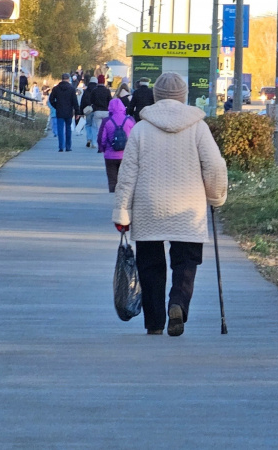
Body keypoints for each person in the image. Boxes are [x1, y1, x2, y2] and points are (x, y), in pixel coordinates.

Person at [113, 72, 228, 337]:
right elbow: (214, 166)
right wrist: (215, 196)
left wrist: (122, 211)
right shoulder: (199, 127)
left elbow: (127, 173)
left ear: (156, 97)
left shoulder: (141, 128)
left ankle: (154, 323)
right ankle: (178, 303)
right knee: (186, 262)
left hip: (148, 205)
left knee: (150, 265)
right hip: (189, 206)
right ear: (184, 96)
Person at [97, 98, 135, 192]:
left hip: (110, 156)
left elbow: (102, 139)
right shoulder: (130, 120)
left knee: (112, 179)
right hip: (126, 155)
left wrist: (103, 149)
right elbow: (135, 138)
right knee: (125, 180)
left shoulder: (106, 121)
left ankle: (112, 196)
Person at [48, 73, 80, 152]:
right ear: (68, 79)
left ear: (62, 78)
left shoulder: (56, 89)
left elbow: (51, 100)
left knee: (60, 129)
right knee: (68, 129)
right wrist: (77, 112)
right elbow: (75, 102)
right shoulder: (72, 89)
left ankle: (61, 147)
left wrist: (56, 106)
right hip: (69, 111)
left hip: (60, 111)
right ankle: (68, 146)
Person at [90, 76, 112, 144]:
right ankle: (104, 142)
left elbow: (91, 100)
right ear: (104, 81)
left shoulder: (94, 90)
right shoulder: (107, 90)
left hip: (97, 111)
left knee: (97, 129)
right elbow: (110, 101)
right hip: (106, 111)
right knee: (105, 128)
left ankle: (96, 143)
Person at [79, 78, 98, 148]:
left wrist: (81, 112)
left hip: (88, 110)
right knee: (94, 126)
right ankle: (94, 142)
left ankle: (88, 139)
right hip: (95, 110)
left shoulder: (86, 91)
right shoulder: (97, 90)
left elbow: (82, 101)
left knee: (88, 125)